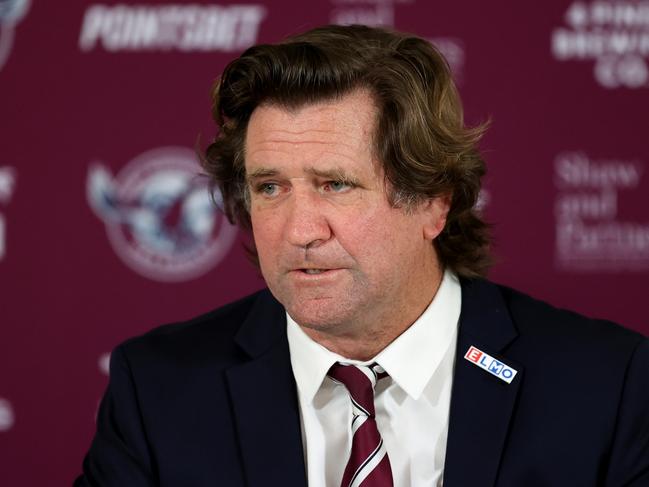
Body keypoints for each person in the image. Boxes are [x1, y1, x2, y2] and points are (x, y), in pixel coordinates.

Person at [75, 24, 649, 487]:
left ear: (433, 201)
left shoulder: (608, 386)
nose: (299, 229)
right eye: (270, 187)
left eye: (336, 185)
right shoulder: (159, 390)